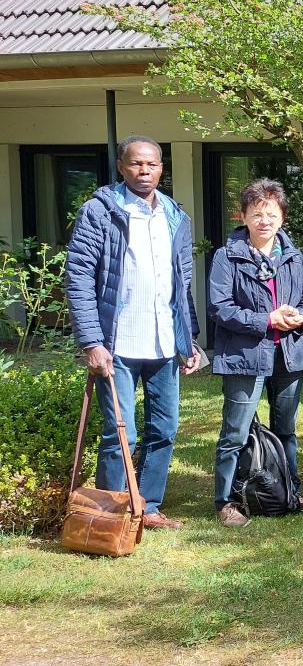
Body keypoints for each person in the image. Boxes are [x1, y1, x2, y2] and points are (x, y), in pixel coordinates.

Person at [65, 135, 203, 530]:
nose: (144, 171)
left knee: (165, 429)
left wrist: (188, 339)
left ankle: (149, 506)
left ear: (162, 168)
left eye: (152, 164)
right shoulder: (100, 211)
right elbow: (78, 277)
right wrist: (92, 342)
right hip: (117, 343)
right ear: (122, 167)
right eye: (136, 163)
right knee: (119, 432)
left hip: (163, 343)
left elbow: (181, 283)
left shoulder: (174, 215)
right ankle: (111, 515)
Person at [209, 179, 303, 527]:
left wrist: (301, 317)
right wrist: (266, 319)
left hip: (288, 354)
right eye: (256, 214)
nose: (264, 221)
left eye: (271, 214)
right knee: (235, 433)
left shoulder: (294, 257)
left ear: (282, 217)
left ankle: (288, 491)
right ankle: (227, 501)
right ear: (243, 216)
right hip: (245, 356)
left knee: (286, 430)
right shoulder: (227, 256)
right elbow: (220, 307)